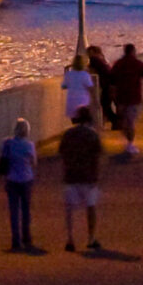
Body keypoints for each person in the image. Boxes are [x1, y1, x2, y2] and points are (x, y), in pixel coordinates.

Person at [59, 106, 105, 252]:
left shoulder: (68, 134)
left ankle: (70, 239)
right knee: (90, 208)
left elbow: (61, 151)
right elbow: (99, 155)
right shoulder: (92, 135)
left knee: (70, 209)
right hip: (89, 176)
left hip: (71, 175)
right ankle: (90, 239)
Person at [0, 116, 40, 252]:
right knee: (26, 210)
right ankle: (26, 238)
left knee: (14, 211)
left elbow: (2, 158)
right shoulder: (29, 145)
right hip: (26, 179)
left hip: (12, 179)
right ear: (26, 131)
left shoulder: (7, 143)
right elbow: (34, 162)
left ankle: (15, 240)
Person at [108, 43, 143, 157]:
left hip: (121, 98)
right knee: (131, 122)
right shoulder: (138, 64)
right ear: (133, 51)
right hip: (134, 98)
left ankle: (127, 141)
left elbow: (112, 81)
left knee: (124, 121)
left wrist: (113, 96)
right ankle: (130, 143)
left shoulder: (118, 64)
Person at [62, 49, 98, 124]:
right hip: (83, 100)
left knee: (75, 121)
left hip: (72, 100)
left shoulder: (69, 74)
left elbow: (64, 86)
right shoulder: (85, 75)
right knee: (85, 119)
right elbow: (90, 87)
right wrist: (95, 99)